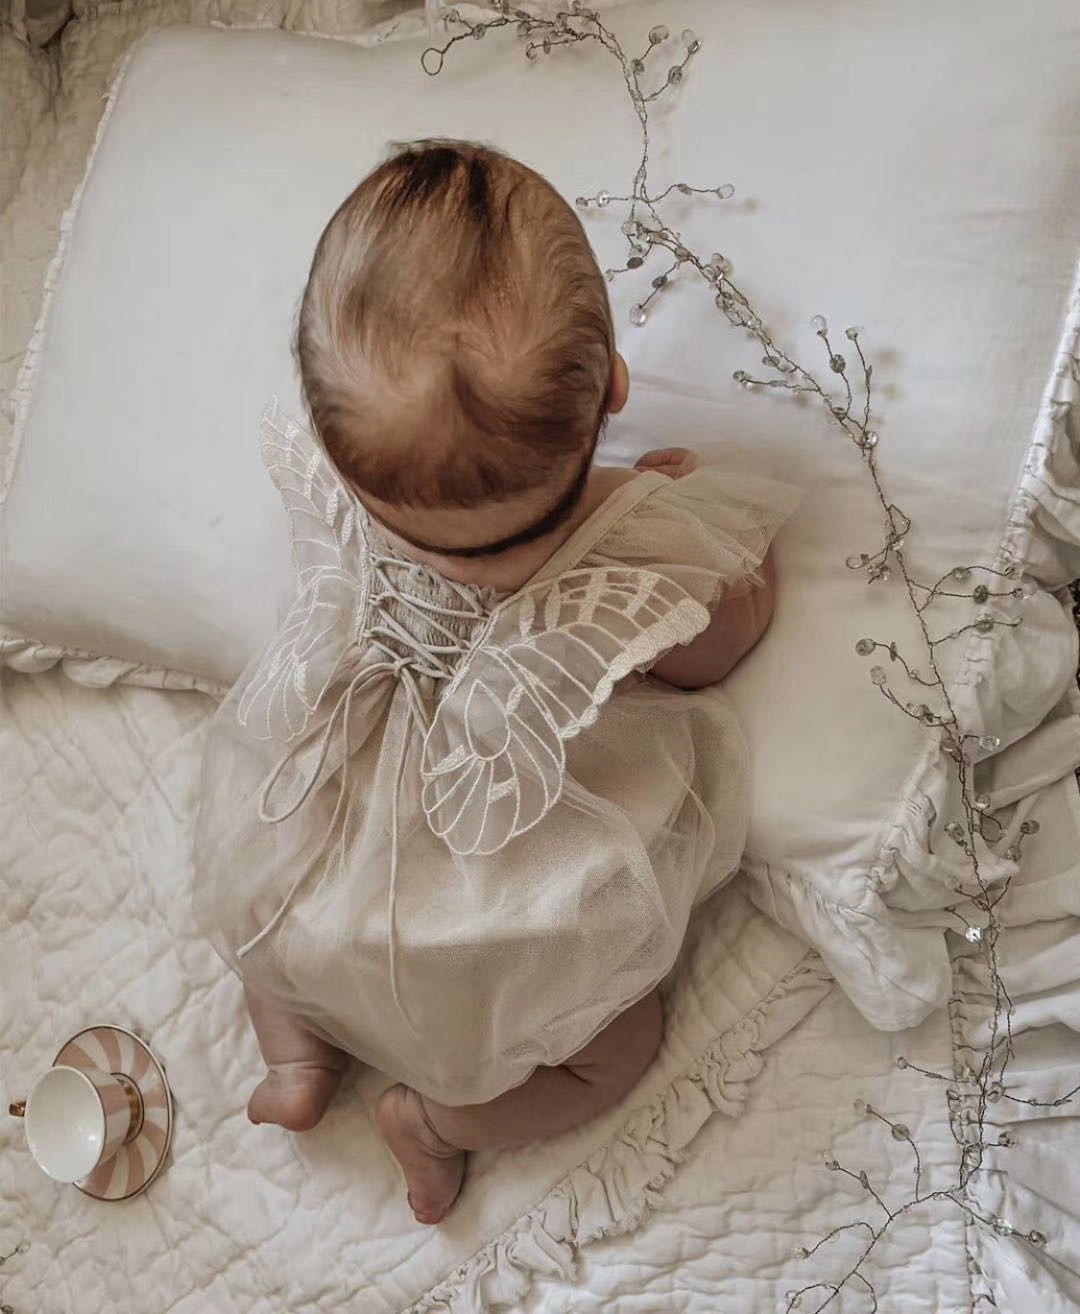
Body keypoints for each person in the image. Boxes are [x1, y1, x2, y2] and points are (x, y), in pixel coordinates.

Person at [193, 140, 798, 1225]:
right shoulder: (626, 546)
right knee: (613, 1044)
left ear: (332, 435)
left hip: (324, 844)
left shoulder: (343, 490)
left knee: (268, 909)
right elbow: (720, 641)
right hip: (496, 912)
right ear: (616, 389)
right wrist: (704, 536)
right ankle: (438, 1123)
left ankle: (296, 1056)